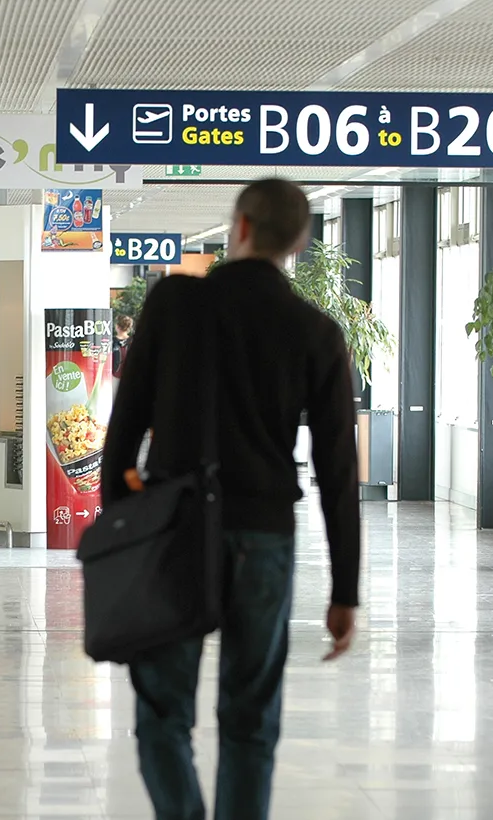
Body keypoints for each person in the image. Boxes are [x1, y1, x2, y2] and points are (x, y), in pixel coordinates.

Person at [100, 178, 361, 820]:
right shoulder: (317, 332)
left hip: (173, 533)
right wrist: (344, 590)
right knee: (250, 719)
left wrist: (122, 536)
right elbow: (336, 472)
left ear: (239, 226)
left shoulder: (172, 303)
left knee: (163, 713)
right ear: (299, 242)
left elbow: (122, 434)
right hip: (265, 536)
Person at [112, 314, 134, 379]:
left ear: (117, 326)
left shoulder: (112, 341)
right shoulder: (132, 341)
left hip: (114, 375)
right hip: (130, 376)